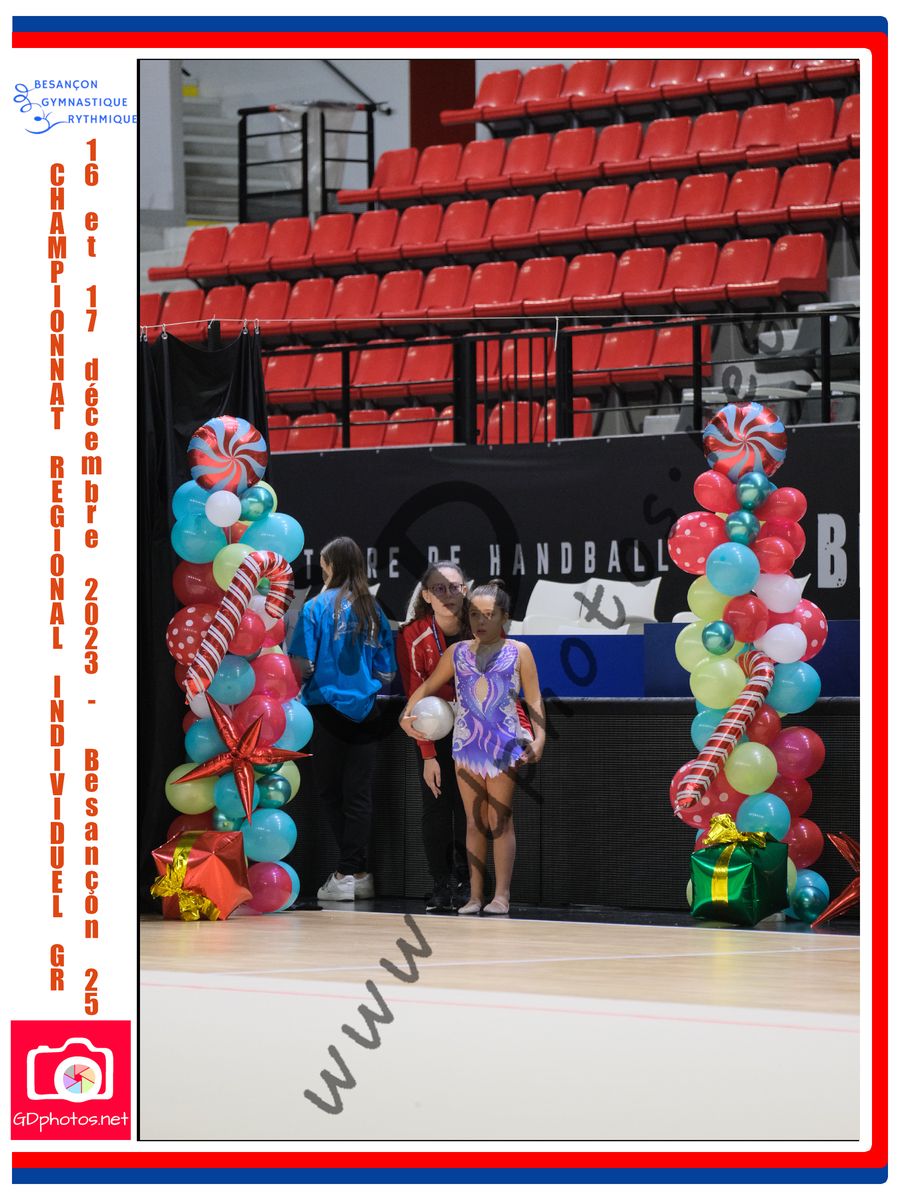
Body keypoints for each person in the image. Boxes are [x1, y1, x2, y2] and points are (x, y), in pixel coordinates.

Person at [400, 579, 545, 916]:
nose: (481, 621)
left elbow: (535, 699)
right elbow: (427, 687)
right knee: (473, 821)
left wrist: (539, 738)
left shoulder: (519, 651)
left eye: (489, 614)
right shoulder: (457, 653)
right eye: (475, 614)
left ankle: (502, 896)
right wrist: (405, 715)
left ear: (504, 617)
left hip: (504, 743)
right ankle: (475, 896)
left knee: (499, 819)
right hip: (467, 744)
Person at [289, 536, 396, 902]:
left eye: (323, 565)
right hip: (367, 711)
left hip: (326, 709)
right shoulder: (374, 609)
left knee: (329, 792)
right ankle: (359, 873)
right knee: (358, 794)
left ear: (331, 566)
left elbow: (302, 664)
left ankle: (347, 872)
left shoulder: (315, 607)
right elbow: (387, 671)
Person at [397, 561, 471, 912]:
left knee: (470, 807)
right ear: (426, 595)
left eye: (454, 587)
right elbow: (416, 696)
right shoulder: (414, 634)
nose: (447, 595)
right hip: (434, 727)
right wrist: (428, 755)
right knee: (437, 806)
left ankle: (470, 882)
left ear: (465, 590)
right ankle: (442, 882)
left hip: (475, 728)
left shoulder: (481, 625)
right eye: (439, 589)